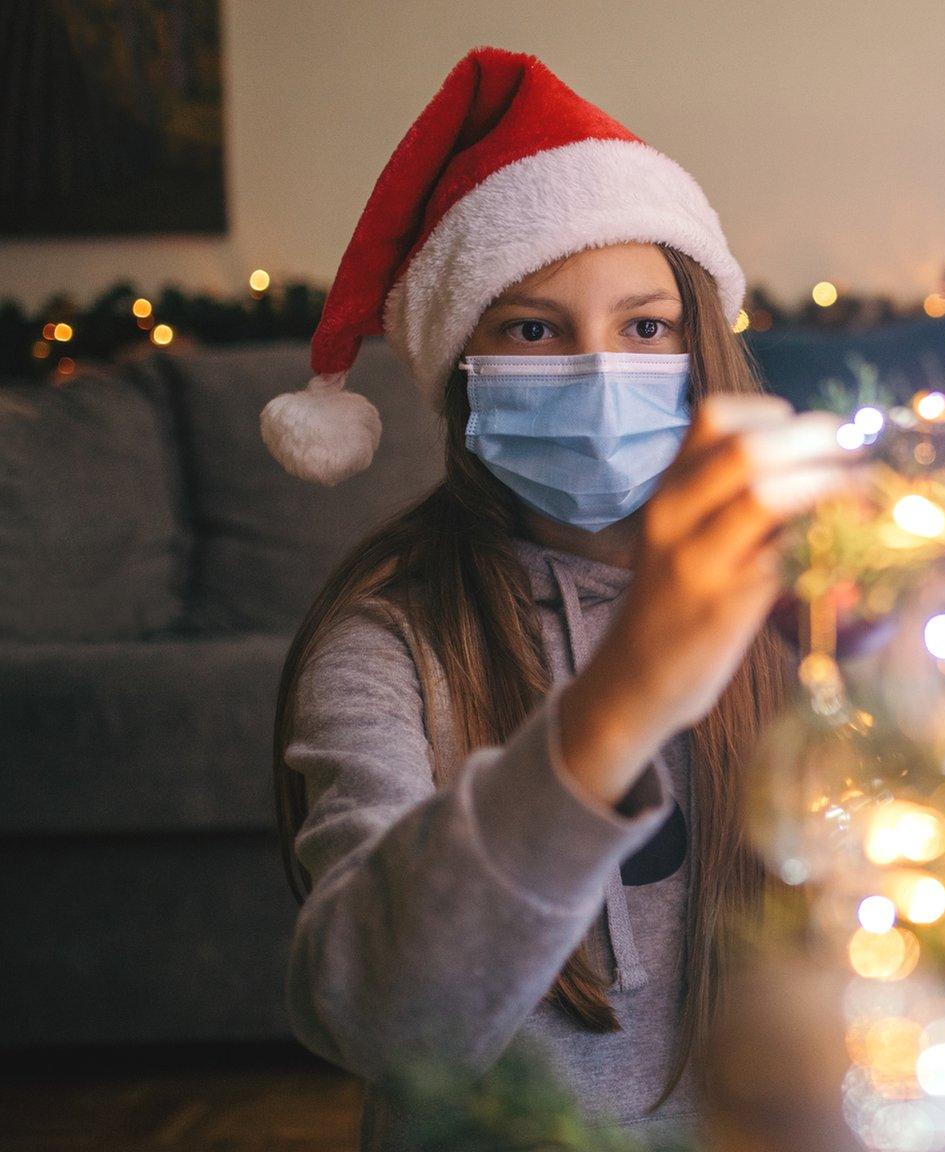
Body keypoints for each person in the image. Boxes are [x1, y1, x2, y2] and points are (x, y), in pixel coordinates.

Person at [259, 47, 852, 1148]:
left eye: (645, 327)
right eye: (531, 329)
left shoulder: (807, 602)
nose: (596, 372)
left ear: (700, 346)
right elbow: (369, 1012)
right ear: (460, 369)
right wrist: (620, 703)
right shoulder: (385, 640)